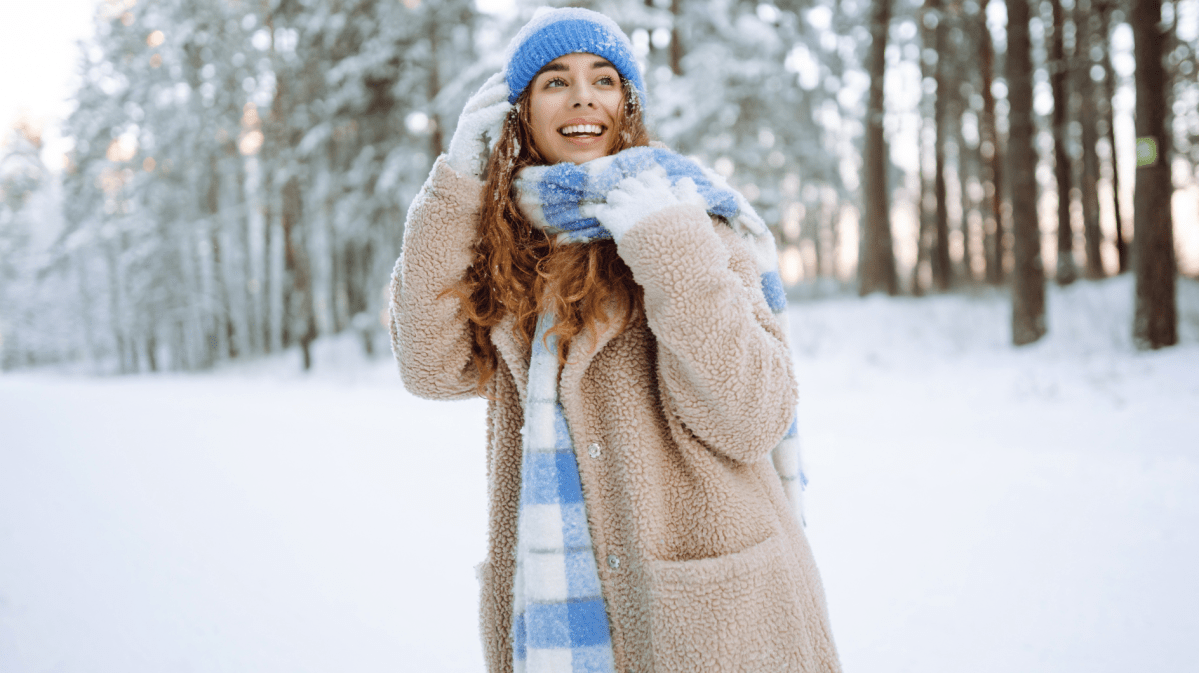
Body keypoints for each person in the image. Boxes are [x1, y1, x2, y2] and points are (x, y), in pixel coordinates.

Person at [390, 7, 841, 672]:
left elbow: (751, 418)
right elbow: (430, 366)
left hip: (715, 624)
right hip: (565, 621)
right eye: (554, 81)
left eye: (603, 79)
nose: (581, 96)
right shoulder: (512, 247)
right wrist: (457, 186)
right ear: (518, 114)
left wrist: (667, 245)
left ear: (625, 105)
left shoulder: (695, 224)